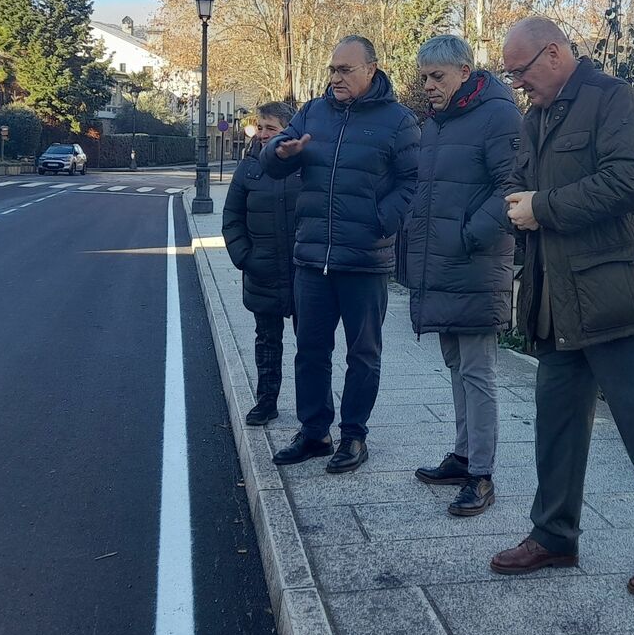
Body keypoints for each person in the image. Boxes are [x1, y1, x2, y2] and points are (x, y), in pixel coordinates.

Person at [490, 17, 634, 597]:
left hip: (620, 298)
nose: (518, 86)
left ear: (554, 54)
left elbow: (628, 182)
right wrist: (513, 203)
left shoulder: (615, 100)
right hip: (558, 302)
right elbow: (520, 182)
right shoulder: (538, 117)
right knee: (556, 424)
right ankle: (554, 535)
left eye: (522, 72)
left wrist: (542, 206)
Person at [262, 35, 419, 473]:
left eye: (345, 70)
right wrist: (279, 150)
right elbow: (274, 161)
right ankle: (314, 432)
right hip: (312, 256)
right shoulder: (313, 112)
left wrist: (379, 221)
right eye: (332, 70)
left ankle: (354, 435)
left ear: (371, 69)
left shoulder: (399, 121)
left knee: (362, 353)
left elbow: (413, 182)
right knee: (310, 350)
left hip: (364, 261)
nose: (336, 78)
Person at [403, 35, 521, 517]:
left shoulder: (499, 115)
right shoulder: (438, 123)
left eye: (438, 77)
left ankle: (482, 474)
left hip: (475, 263)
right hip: (442, 265)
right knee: (456, 365)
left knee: (478, 370)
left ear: (466, 71)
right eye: (424, 78)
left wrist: (469, 235)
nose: (428, 86)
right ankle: (463, 454)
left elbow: (513, 185)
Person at [223, 100, 302, 427]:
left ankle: (311, 408)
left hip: (302, 272)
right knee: (267, 342)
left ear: (288, 130)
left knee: (310, 345)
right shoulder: (250, 167)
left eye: (272, 128)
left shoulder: (305, 164)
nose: (264, 134)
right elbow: (231, 217)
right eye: (261, 127)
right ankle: (266, 402)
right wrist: (245, 258)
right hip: (263, 270)